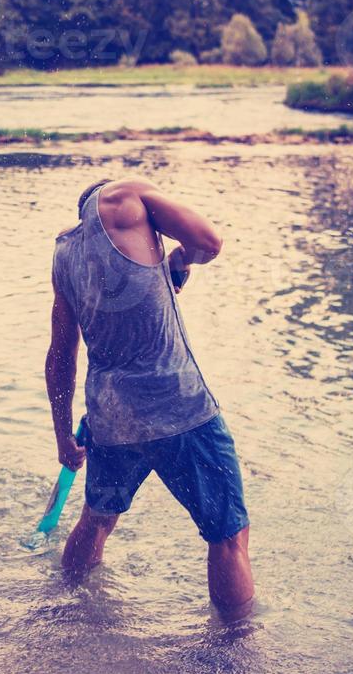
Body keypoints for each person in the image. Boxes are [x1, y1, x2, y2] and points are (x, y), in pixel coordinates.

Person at [46, 177, 253, 612]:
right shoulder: (123, 194)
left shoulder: (65, 255)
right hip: (179, 409)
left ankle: (64, 611)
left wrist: (64, 435)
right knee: (228, 536)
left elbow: (61, 353)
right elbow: (209, 241)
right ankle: (237, 651)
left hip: (111, 419)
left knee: (98, 520)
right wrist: (185, 254)